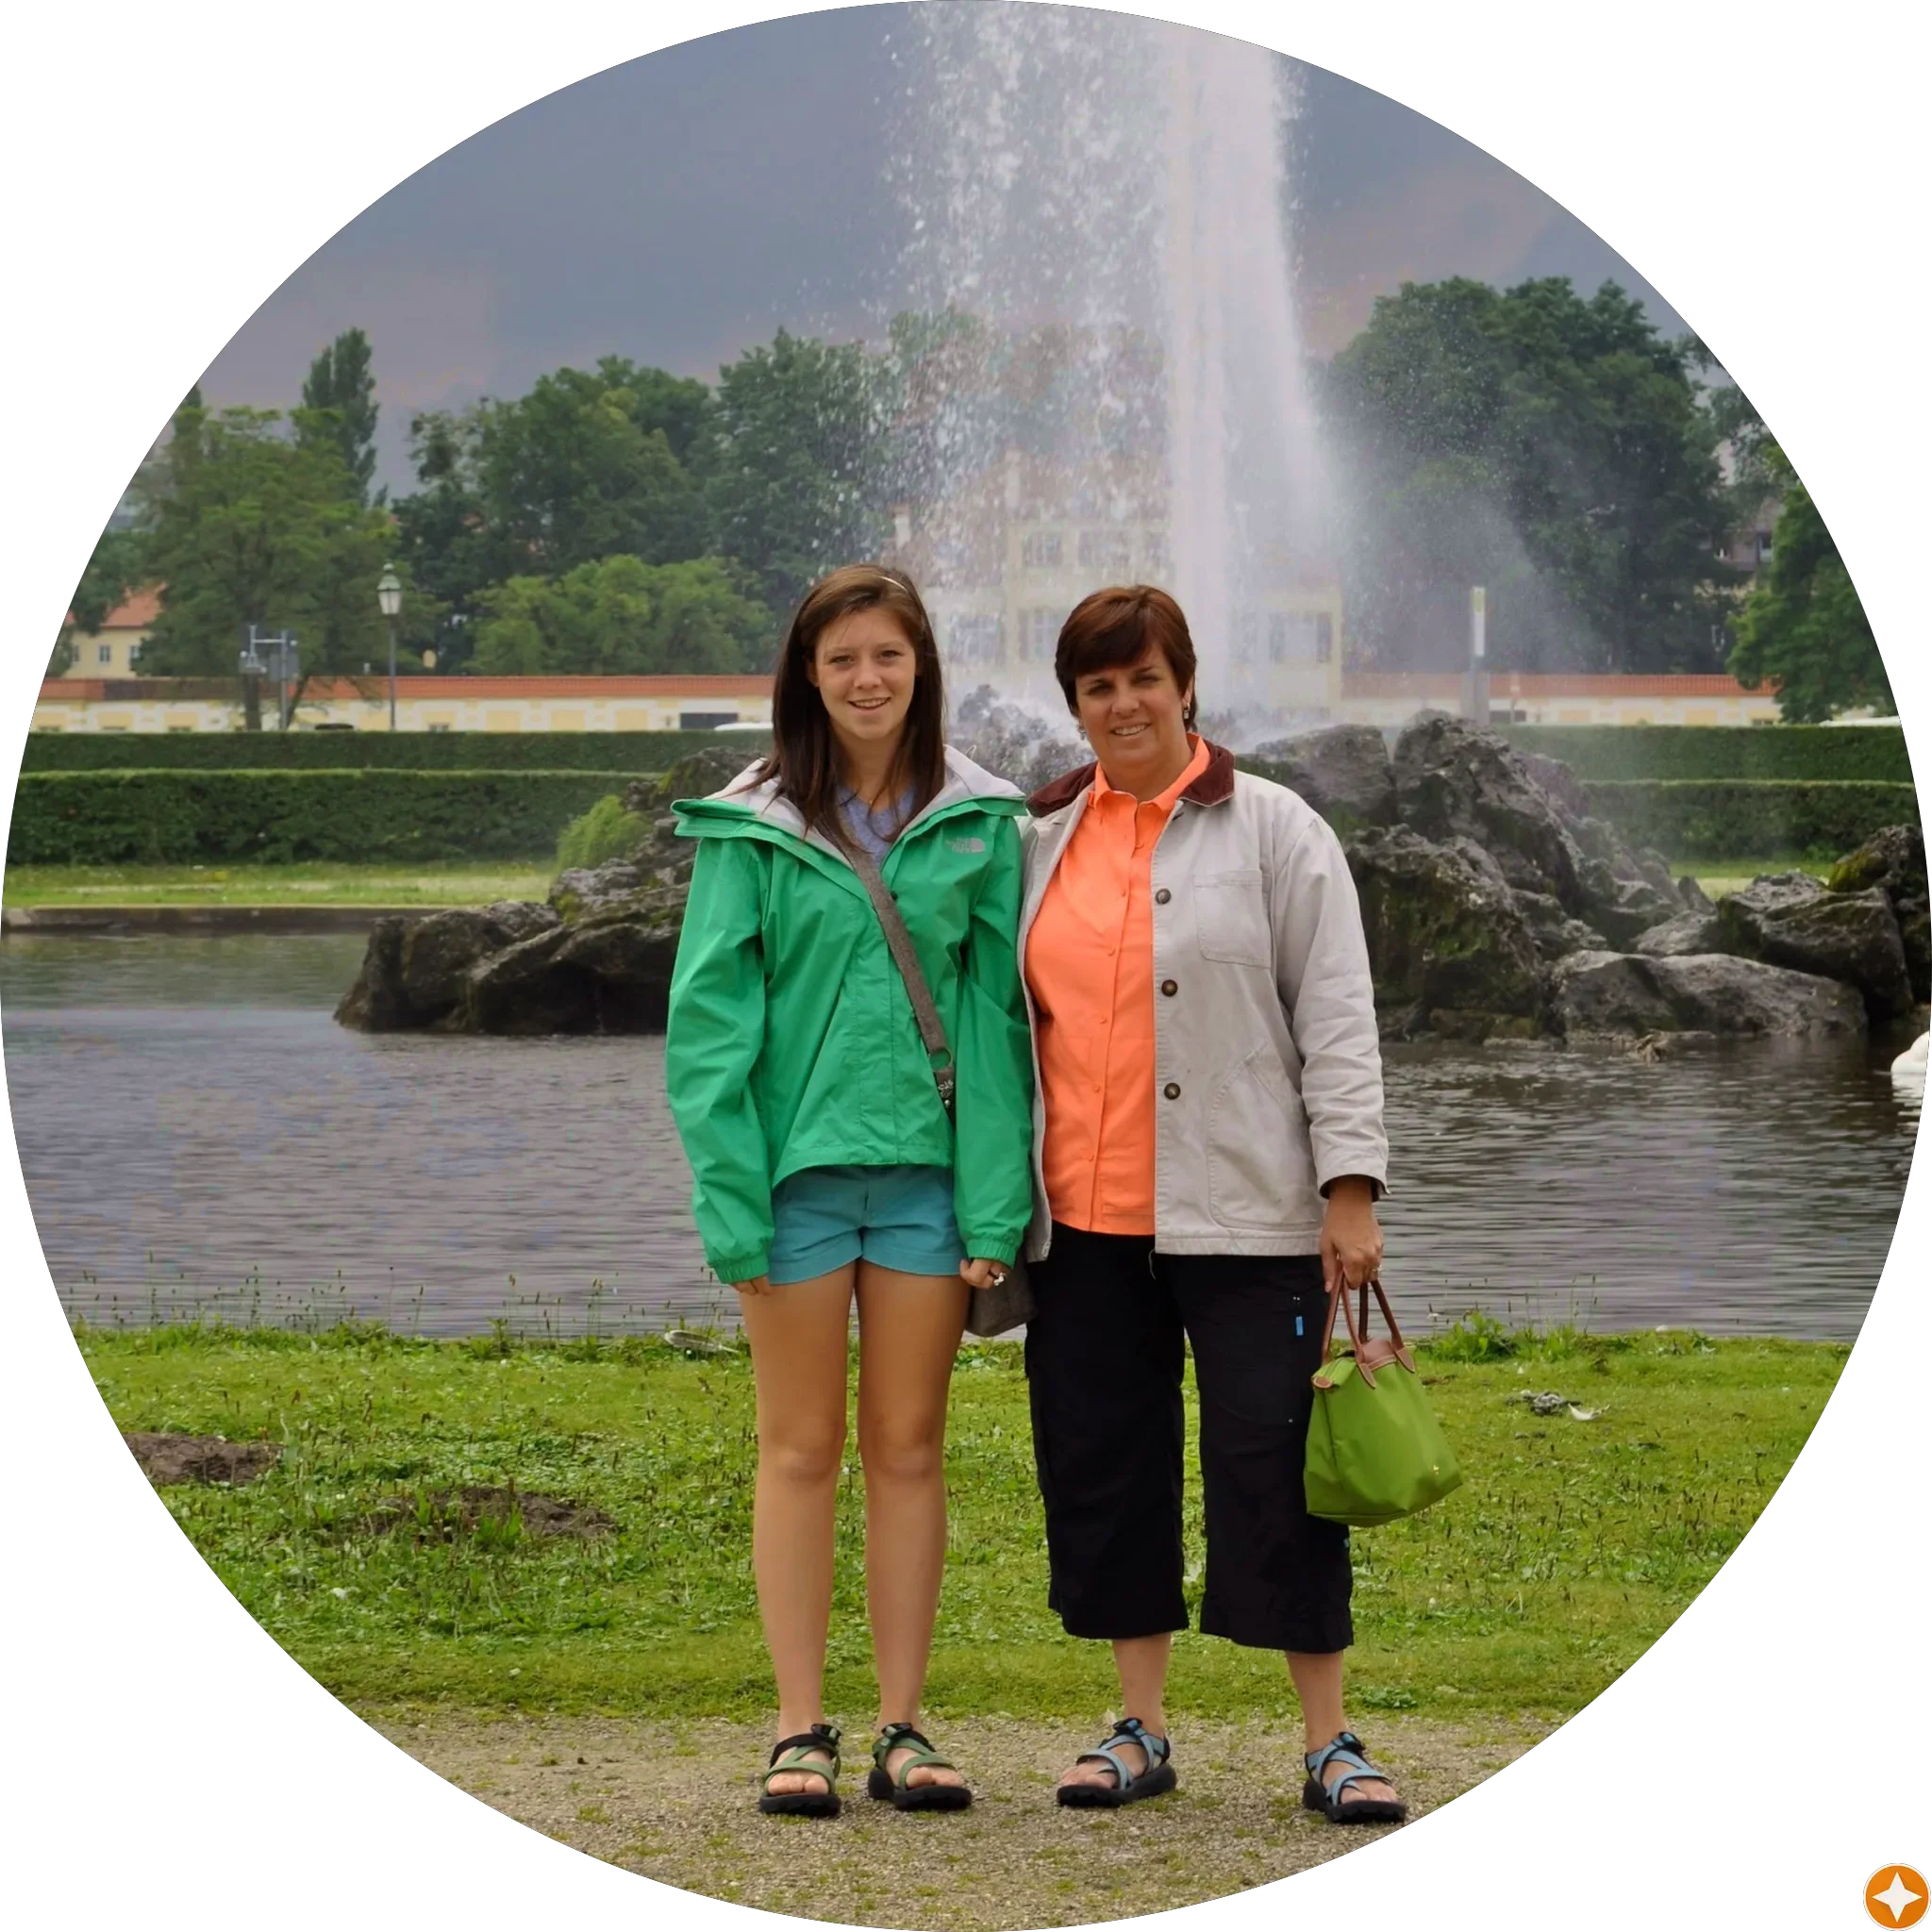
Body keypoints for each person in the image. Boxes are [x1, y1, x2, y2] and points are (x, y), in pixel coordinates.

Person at [1015, 584, 1406, 1824]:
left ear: (1186, 685)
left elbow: (1336, 1013)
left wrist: (1351, 1191)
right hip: (1083, 1224)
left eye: (1145, 678)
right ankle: (1138, 1727)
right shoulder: (1038, 840)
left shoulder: (1277, 829)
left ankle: (1331, 1741)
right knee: (1106, 1470)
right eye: (1098, 686)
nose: (1124, 704)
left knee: (1279, 1469)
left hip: (1251, 1213)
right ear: (1075, 705)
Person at [664, 564, 1035, 1820]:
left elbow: (995, 1031)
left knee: (910, 1449)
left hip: (927, 1188)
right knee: (799, 1447)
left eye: (888, 655)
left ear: (921, 665)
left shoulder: (981, 822)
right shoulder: (752, 827)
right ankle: (797, 1730)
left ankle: (904, 1727)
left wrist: (995, 1208)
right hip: (793, 1190)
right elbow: (708, 1033)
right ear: (808, 678)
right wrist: (730, 1203)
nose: (867, 679)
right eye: (842, 660)